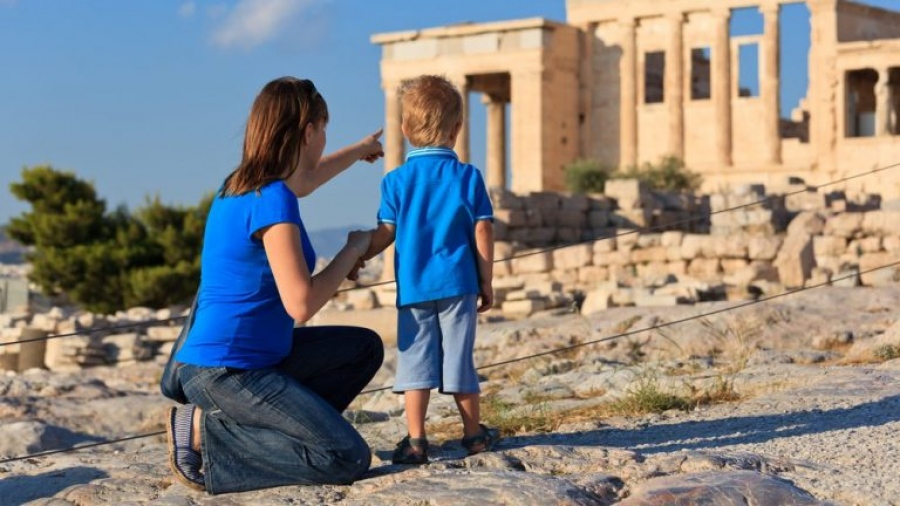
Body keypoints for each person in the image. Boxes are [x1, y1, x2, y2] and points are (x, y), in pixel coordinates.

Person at [164, 76, 386, 494]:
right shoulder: (273, 200)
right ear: (309, 131)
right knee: (346, 457)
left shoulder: (241, 186)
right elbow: (301, 305)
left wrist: (359, 151)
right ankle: (204, 434)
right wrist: (352, 250)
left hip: (253, 359)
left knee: (363, 348)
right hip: (225, 371)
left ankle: (289, 433)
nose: (325, 138)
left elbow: (309, 179)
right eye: (324, 129)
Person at [356, 74, 499, 465]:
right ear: (457, 128)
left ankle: (417, 440)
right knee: (460, 359)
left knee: (415, 362)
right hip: (459, 284)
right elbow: (483, 230)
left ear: (404, 129)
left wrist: (359, 255)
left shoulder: (395, 181)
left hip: (414, 287)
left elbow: (386, 234)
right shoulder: (469, 176)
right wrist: (486, 279)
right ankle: (474, 435)